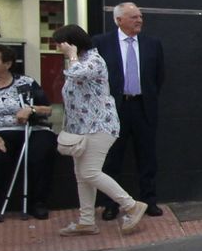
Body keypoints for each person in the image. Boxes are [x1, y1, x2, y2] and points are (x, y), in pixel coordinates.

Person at [51, 24, 149, 235]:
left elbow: (77, 74)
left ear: (72, 43)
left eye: (60, 43)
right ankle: (86, 220)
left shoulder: (93, 60)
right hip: (81, 128)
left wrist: (71, 55)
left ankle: (132, 205)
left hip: (99, 125)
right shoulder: (82, 60)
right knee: (81, 175)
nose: (58, 48)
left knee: (89, 172)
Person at [0, 45, 55, 224]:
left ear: (7, 64)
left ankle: (38, 203)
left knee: (40, 152)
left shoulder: (26, 82)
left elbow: (48, 109)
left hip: (30, 129)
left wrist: (31, 109)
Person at [94, 2, 165, 220]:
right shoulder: (101, 43)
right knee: (112, 158)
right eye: (134, 17)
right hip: (115, 108)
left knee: (147, 157)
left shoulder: (152, 44)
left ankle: (149, 200)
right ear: (119, 20)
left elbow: (159, 76)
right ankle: (110, 204)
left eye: (140, 16)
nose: (139, 20)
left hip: (143, 106)